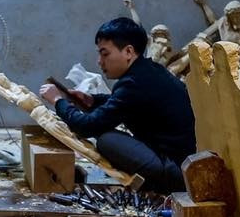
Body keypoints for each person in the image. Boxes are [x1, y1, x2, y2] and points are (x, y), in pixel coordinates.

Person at [38, 17, 195, 193]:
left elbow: (87, 126)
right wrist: (92, 100)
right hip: (184, 164)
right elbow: (127, 103)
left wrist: (58, 101)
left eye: (105, 54)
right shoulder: (148, 70)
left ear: (128, 52)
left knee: (106, 140)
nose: (99, 61)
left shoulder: (132, 83)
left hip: (174, 171)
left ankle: (157, 186)